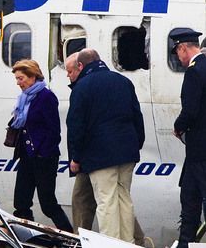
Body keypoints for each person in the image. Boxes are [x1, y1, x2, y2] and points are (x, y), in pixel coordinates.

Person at [64, 52, 146, 245]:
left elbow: (76, 126)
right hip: (127, 152)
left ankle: (111, 243)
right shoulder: (123, 81)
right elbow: (137, 116)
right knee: (124, 198)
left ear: (81, 66)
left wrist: (76, 157)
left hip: (100, 155)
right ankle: (128, 243)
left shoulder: (82, 87)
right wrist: (136, 144)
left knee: (106, 201)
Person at [8, 60, 73, 232]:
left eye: (21, 78)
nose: (18, 83)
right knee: (21, 202)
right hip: (26, 156)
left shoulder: (46, 97)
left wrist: (42, 152)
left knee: (47, 203)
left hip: (44, 157)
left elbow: (54, 130)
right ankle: (25, 237)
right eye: (16, 79)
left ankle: (68, 235)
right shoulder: (23, 99)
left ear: (33, 76)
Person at [170, 29, 206, 248]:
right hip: (196, 154)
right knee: (190, 198)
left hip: (200, 150)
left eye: (177, 52)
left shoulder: (195, 71)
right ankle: (185, 243)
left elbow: (190, 110)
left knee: (195, 201)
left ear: (183, 47)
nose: (178, 58)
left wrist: (178, 126)